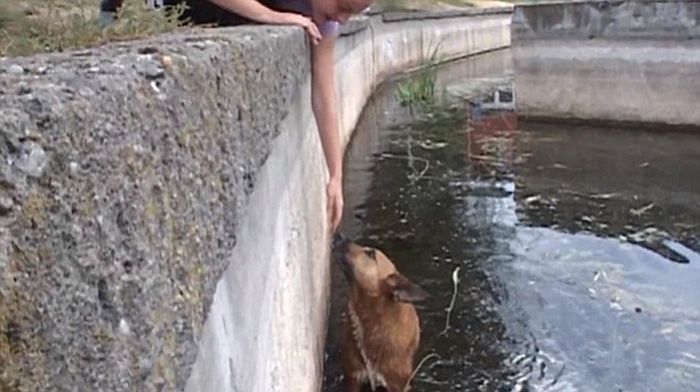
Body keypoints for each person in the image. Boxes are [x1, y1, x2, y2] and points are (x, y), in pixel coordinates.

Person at [100, 0, 373, 232]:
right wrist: (275, 17)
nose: (342, 17)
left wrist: (335, 175)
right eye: (343, 5)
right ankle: (109, 9)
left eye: (352, 13)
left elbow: (325, 97)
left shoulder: (327, 20)